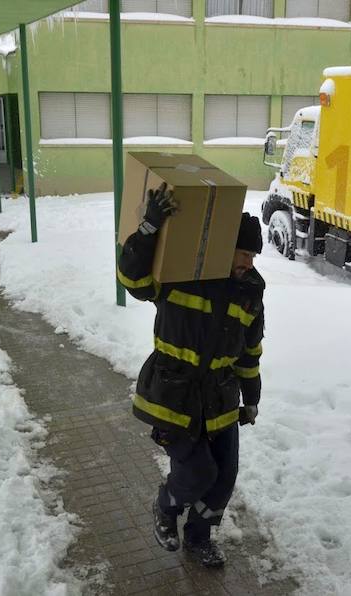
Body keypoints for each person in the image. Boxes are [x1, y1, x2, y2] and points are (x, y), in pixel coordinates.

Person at [117, 182, 265, 568]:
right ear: (222, 248)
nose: (248, 263)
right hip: (173, 394)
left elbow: (250, 351)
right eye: (243, 253)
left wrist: (252, 399)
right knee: (198, 472)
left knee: (224, 477)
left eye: (252, 256)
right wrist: (150, 227)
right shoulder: (184, 272)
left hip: (219, 397)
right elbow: (132, 280)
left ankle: (198, 537)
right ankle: (165, 504)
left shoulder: (250, 290)